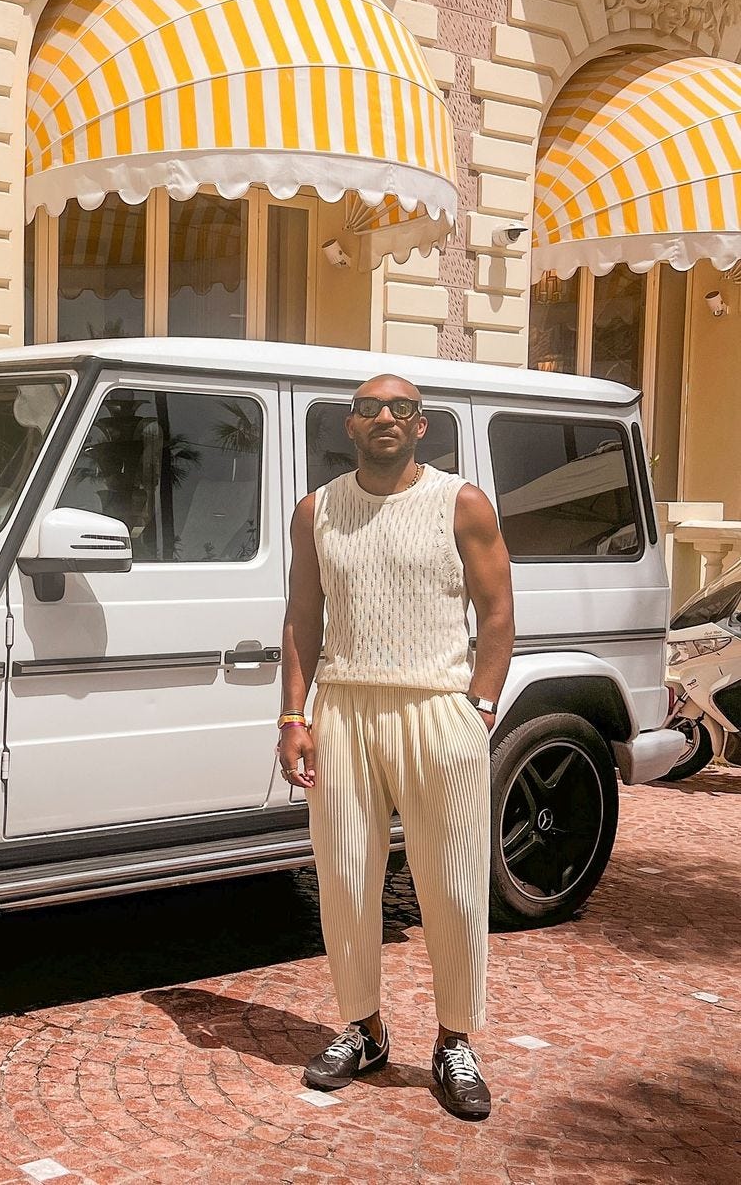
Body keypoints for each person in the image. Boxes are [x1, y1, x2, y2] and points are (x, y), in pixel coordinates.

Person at [278, 374, 514, 1120]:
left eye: (401, 408)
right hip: (344, 706)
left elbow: (499, 609)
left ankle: (454, 1041)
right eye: (370, 407)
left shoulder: (461, 502)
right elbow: (302, 617)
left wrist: (477, 706)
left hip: (437, 707)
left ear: (421, 427)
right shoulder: (316, 511)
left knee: (449, 884)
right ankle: (365, 1029)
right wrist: (293, 716)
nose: (385, 417)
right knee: (346, 878)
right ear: (348, 425)